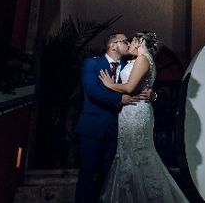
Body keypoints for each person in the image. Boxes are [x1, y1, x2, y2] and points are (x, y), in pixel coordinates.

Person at [97, 32, 189, 203]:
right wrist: (152, 94)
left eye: (132, 41)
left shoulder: (142, 59)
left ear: (140, 42)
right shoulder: (140, 60)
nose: (129, 44)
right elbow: (143, 85)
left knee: (138, 155)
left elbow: (131, 87)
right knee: (128, 155)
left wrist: (110, 85)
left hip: (136, 112)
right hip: (131, 111)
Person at [74, 33, 152, 203]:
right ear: (113, 46)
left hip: (117, 129)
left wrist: (152, 95)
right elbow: (93, 90)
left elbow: (138, 87)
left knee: (108, 175)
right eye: (125, 41)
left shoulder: (128, 66)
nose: (128, 43)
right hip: (92, 127)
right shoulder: (92, 63)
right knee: (88, 171)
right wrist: (119, 99)